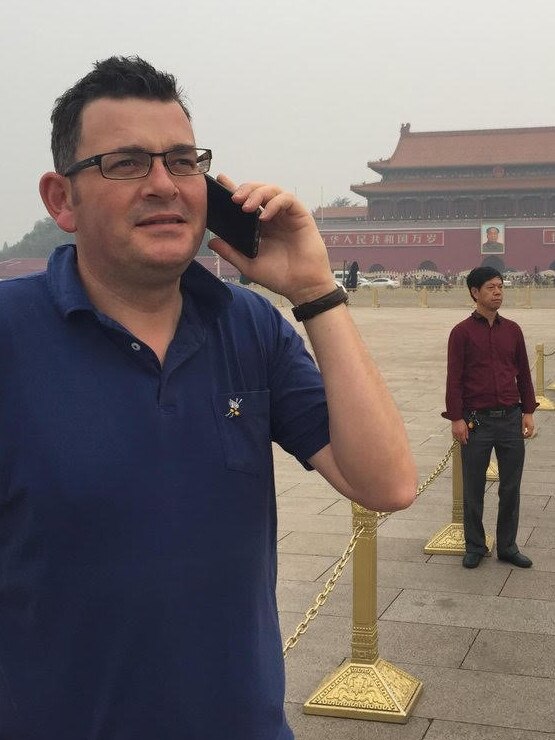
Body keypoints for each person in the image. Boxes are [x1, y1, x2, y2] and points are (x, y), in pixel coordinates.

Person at [0, 57, 417, 739]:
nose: (164, 184)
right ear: (61, 199)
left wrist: (314, 292)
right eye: (126, 163)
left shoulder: (247, 326)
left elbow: (388, 482)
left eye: (183, 161)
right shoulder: (11, 334)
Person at [443, 266, 537, 570]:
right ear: (474, 292)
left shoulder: (513, 331)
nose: (497, 292)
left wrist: (528, 411)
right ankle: (475, 545)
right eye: (490, 288)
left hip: (510, 419)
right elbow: (454, 379)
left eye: (500, 287)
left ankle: (508, 546)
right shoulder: (461, 333)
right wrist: (456, 418)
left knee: (511, 487)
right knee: (473, 487)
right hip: (476, 422)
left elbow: (523, 373)